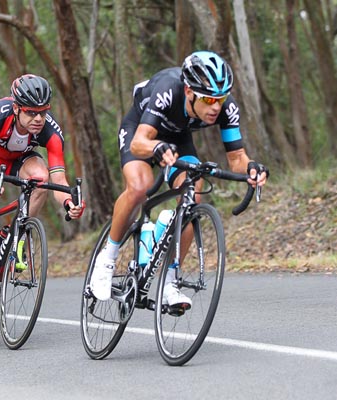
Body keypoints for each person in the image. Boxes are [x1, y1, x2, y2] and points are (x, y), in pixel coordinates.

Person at [89, 51, 269, 310]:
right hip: (141, 131)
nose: (215, 107)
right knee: (139, 188)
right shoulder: (168, 92)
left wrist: (251, 168)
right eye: (208, 99)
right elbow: (139, 143)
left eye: (220, 99)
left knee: (192, 195)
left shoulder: (225, 109)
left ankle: (169, 280)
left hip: (177, 139)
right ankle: (107, 259)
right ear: (188, 91)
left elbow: (237, 157)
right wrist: (157, 147)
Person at [0, 74, 85, 329]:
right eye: (31, 113)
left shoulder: (50, 131)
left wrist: (69, 203)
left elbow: (59, 178)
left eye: (43, 113)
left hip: (19, 161)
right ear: (16, 108)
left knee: (41, 178)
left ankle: (19, 236)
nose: (38, 119)